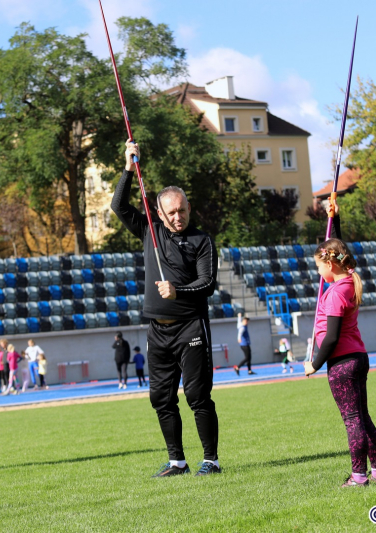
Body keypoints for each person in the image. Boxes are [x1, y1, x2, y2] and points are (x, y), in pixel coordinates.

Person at [111, 139, 221, 477]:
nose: (177, 217)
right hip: (157, 330)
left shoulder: (203, 241)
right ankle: (177, 462)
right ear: (159, 213)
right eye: (171, 212)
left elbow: (208, 284)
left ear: (189, 208)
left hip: (191, 326)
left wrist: (178, 290)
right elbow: (118, 205)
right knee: (161, 398)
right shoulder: (150, 230)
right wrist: (129, 168)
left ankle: (211, 462)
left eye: (182, 210)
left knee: (197, 396)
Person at [304, 198, 376, 487]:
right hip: (357, 357)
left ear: (328, 263)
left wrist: (314, 364)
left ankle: (359, 476)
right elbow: (341, 250)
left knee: (352, 420)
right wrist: (334, 219)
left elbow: (332, 337)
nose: (319, 274)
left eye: (319, 267)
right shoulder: (348, 278)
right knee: (362, 417)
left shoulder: (337, 293)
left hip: (342, 362)